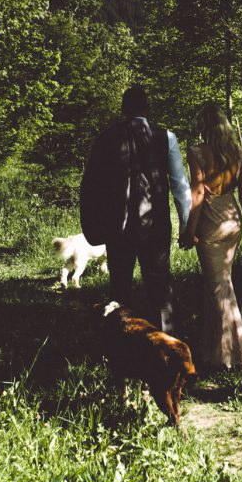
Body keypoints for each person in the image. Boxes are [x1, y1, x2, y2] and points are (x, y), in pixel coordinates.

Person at [80, 85, 191, 332]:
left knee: (119, 290)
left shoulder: (107, 137)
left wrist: (94, 224)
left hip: (118, 226)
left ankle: (120, 344)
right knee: (160, 289)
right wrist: (186, 225)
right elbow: (180, 187)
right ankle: (167, 344)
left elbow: (91, 184)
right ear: (147, 108)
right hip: (156, 226)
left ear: (123, 109)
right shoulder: (166, 138)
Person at [179, 103, 242, 371]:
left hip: (211, 223)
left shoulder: (196, 152)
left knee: (219, 289)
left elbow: (198, 193)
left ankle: (236, 356)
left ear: (204, 125)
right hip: (233, 222)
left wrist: (189, 230)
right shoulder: (237, 153)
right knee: (219, 286)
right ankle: (215, 352)